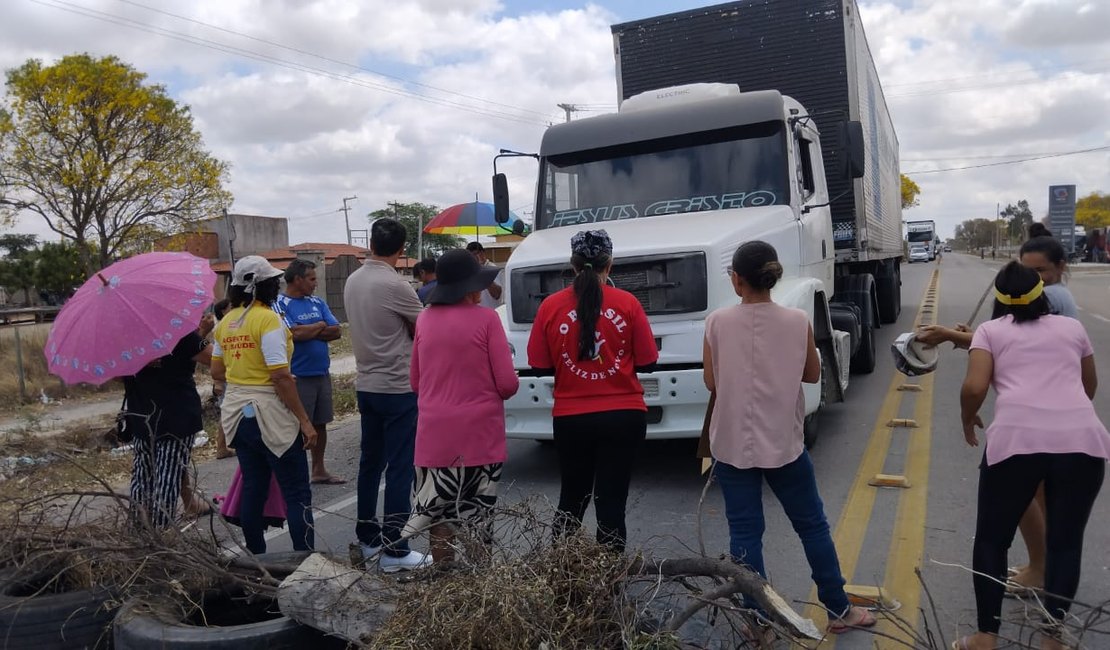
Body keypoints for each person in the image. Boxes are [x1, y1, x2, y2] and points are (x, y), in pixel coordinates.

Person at [702, 241, 876, 635]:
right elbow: (814, 375)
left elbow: (712, 382)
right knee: (812, 526)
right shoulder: (797, 321)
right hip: (783, 444)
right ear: (772, 277)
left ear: (738, 279)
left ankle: (758, 619)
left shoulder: (716, 322)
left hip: (731, 445)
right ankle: (838, 609)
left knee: (745, 533)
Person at [956, 261, 1108, 650]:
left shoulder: (990, 331)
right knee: (1065, 542)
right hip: (1082, 443)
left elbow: (974, 387)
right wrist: (1062, 416)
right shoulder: (1072, 328)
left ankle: (985, 637)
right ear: (1042, 294)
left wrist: (968, 418)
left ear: (1000, 300)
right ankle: (1053, 638)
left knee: (992, 539)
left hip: (1016, 444)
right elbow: (1087, 384)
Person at [919, 231, 1080, 594]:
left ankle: (1040, 571)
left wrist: (955, 336)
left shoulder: (1050, 297)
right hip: (1061, 422)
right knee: (1037, 499)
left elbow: (1010, 344)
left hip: (1034, 424)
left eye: (1042, 271)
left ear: (1060, 268)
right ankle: (1042, 570)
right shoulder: (1055, 302)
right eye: (1027, 271)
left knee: (1023, 498)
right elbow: (1021, 336)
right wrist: (975, 335)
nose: (1034, 280)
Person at [526, 229, 658, 553]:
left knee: (572, 498)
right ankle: (609, 582)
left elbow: (539, 364)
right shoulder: (627, 303)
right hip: (624, 416)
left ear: (572, 265)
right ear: (609, 264)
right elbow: (649, 360)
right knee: (612, 501)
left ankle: (564, 578)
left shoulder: (550, 307)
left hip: (572, 418)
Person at [406, 249, 519, 562]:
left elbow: (416, 382)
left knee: (438, 514)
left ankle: (444, 581)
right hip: (479, 436)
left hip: (434, 436)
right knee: (477, 516)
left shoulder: (424, 320)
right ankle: (480, 589)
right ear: (471, 287)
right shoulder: (487, 320)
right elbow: (507, 384)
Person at [211, 255, 317, 555]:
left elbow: (217, 372)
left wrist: (244, 370)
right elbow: (280, 376)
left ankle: (256, 559)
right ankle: (305, 562)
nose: (277, 285)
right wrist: (305, 422)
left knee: (253, 487)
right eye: (273, 282)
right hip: (268, 412)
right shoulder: (268, 319)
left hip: (236, 414)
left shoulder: (226, 322)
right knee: (296, 492)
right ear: (261, 286)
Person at [343, 218, 430, 572]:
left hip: (366, 384)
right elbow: (424, 328)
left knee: (370, 464)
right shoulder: (396, 285)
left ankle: (367, 538)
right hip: (397, 386)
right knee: (399, 468)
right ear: (401, 250)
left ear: (372, 243)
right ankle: (396, 547)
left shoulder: (353, 280)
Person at [123, 316, 211, 529]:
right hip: (176, 415)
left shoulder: (125, 336)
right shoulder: (175, 329)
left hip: (142, 414)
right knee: (168, 477)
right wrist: (203, 335)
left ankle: (138, 530)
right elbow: (214, 359)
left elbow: (115, 374)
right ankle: (161, 535)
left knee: (142, 477)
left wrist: (140, 362)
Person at [275, 259, 345, 485]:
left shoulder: (316, 301)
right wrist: (319, 326)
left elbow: (336, 331)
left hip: (320, 373)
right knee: (295, 426)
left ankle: (318, 469)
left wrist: (310, 330)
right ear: (297, 279)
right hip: (296, 375)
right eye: (312, 279)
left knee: (320, 423)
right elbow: (292, 334)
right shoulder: (280, 303)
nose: (316, 283)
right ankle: (294, 474)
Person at [465, 241, 503, 309]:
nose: (472, 258)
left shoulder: (493, 269)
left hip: (492, 311)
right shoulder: (471, 271)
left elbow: (497, 295)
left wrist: (483, 273)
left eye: (475, 254)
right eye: (470, 256)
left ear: (482, 253)